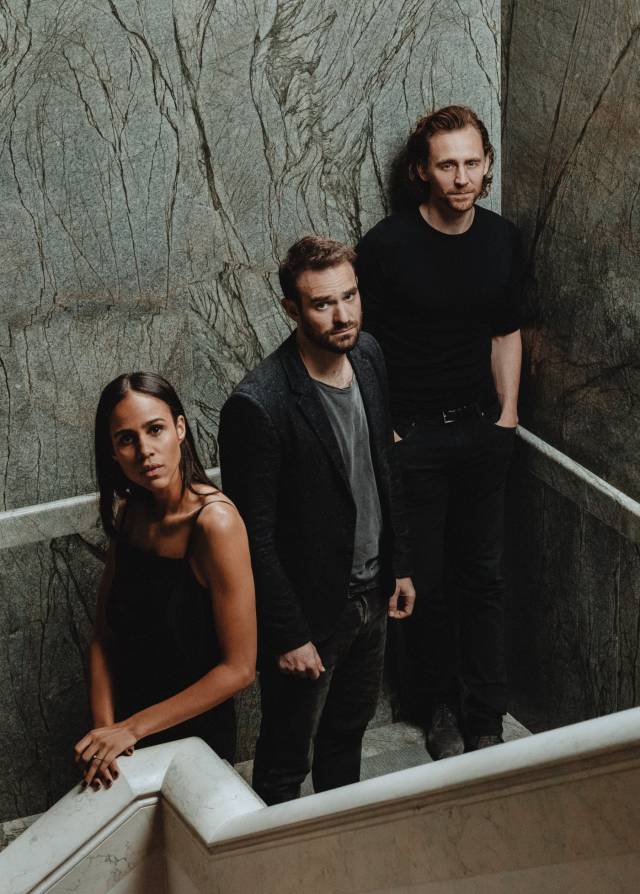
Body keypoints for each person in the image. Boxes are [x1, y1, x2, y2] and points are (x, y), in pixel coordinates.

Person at [218, 236, 415, 805]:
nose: (343, 315)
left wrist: (399, 565)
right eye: (323, 303)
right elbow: (253, 537)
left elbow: (384, 466)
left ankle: (338, 844)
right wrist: (288, 634)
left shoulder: (369, 355)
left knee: (346, 736)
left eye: (350, 296)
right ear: (292, 308)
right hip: (310, 615)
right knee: (285, 760)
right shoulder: (259, 404)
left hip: (371, 596)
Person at [356, 105, 522, 758]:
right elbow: (363, 350)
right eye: (447, 165)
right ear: (422, 171)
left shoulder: (502, 239)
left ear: (487, 165)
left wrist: (507, 417)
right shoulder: (386, 246)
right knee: (426, 582)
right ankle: (441, 709)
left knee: (485, 577)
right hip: (413, 440)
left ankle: (487, 716)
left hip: (482, 430)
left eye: (472, 163)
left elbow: (506, 333)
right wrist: (392, 435)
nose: (461, 177)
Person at [74, 372, 256, 790]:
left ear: (180, 428)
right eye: (126, 439)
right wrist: (105, 735)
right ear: (112, 452)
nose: (145, 451)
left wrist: (130, 730)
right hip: (124, 734)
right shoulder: (132, 513)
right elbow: (102, 638)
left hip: (193, 736)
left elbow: (240, 668)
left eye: (155, 429)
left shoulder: (215, 523)